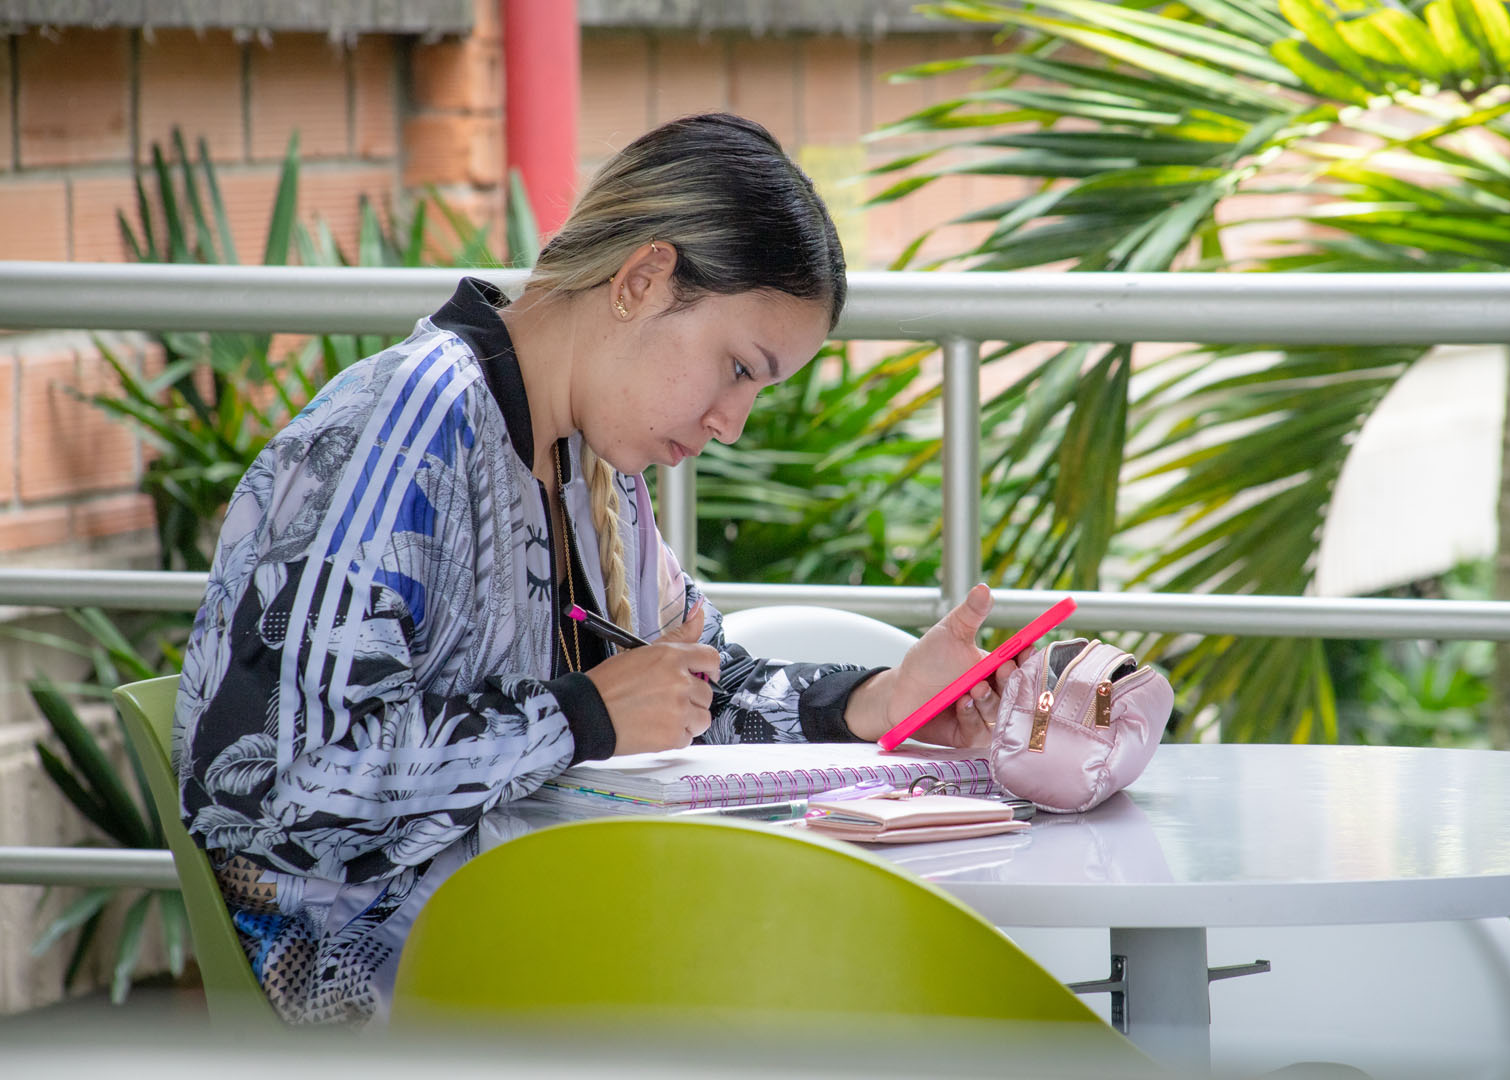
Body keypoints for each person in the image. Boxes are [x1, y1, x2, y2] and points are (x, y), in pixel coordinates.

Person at [174, 113, 1028, 1027]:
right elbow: (284, 788)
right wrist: (580, 716)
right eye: (736, 367)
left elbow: (690, 688)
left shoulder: (593, 466)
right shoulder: (408, 426)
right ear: (642, 279)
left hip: (546, 951)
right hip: (392, 995)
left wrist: (883, 700)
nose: (730, 423)